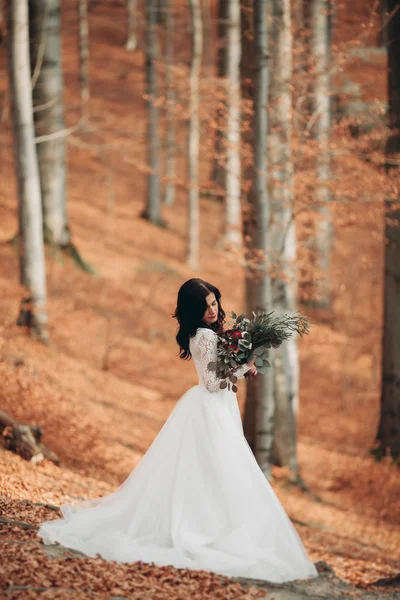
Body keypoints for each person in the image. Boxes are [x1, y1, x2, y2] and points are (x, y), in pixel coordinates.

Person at [38, 278, 318, 582]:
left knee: (210, 471)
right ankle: (206, 530)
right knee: (221, 469)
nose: (212, 310)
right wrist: (246, 365)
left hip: (217, 407)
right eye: (204, 306)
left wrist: (238, 357)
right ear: (191, 311)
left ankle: (211, 526)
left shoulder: (208, 333)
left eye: (213, 303)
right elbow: (213, 383)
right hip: (211, 409)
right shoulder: (204, 337)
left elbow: (217, 375)